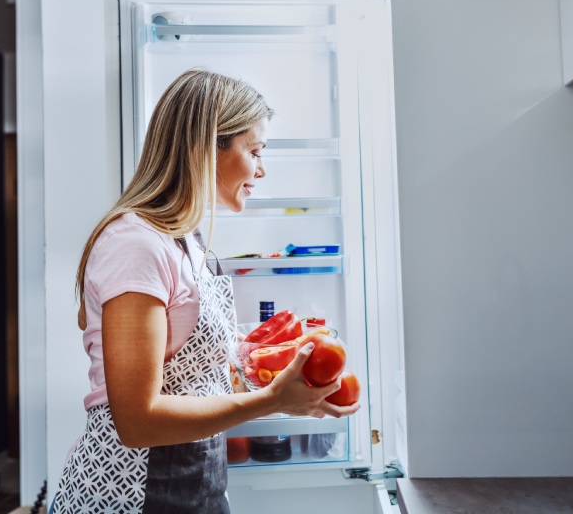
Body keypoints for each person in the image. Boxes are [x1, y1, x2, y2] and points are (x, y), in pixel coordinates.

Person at [50, 69, 360, 513]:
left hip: (194, 478)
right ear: (205, 148)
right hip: (129, 492)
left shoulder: (187, 242)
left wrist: (268, 359)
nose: (261, 168)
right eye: (254, 151)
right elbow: (137, 422)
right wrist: (272, 400)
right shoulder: (135, 244)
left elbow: (188, 364)